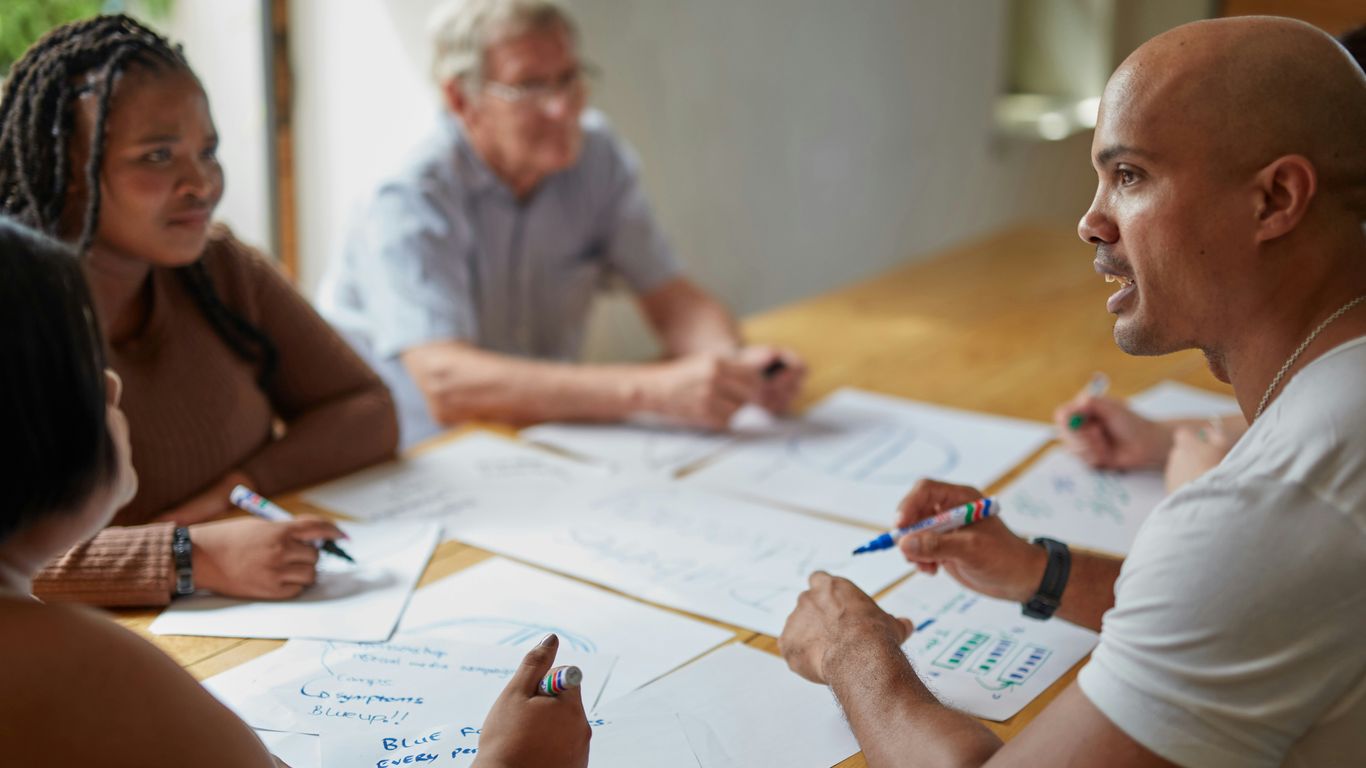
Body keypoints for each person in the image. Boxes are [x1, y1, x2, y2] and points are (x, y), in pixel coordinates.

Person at [779, 16, 1366, 767]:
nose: (1090, 222)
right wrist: (1039, 571)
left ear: (1275, 199)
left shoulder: (1272, 508)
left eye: (1130, 176)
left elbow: (1250, 564)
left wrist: (853, 654)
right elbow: (1264, 607)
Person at [0, 215, 589, 768]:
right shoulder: (85, 671)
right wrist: (512, 762)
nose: (110, 383)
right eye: (78, 365)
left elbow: (365, 406)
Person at [0, 15, 399, 606]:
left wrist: (235, 491)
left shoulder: (219, 268)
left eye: (207, 150)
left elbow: (369, 410)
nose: (203, 183)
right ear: (68, 169)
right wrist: (190, 552)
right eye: (158, 156)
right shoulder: (17, 311)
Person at [318, 0, 805, 447]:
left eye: (569, 77)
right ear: (461, 100)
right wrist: (649, 390)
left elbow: (672, 299)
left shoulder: (596, 155)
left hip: (539, 441)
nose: (562, 108)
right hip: (416, 455)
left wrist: (728, 368)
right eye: (529, 86)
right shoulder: (408, 194)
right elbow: (446, 383)